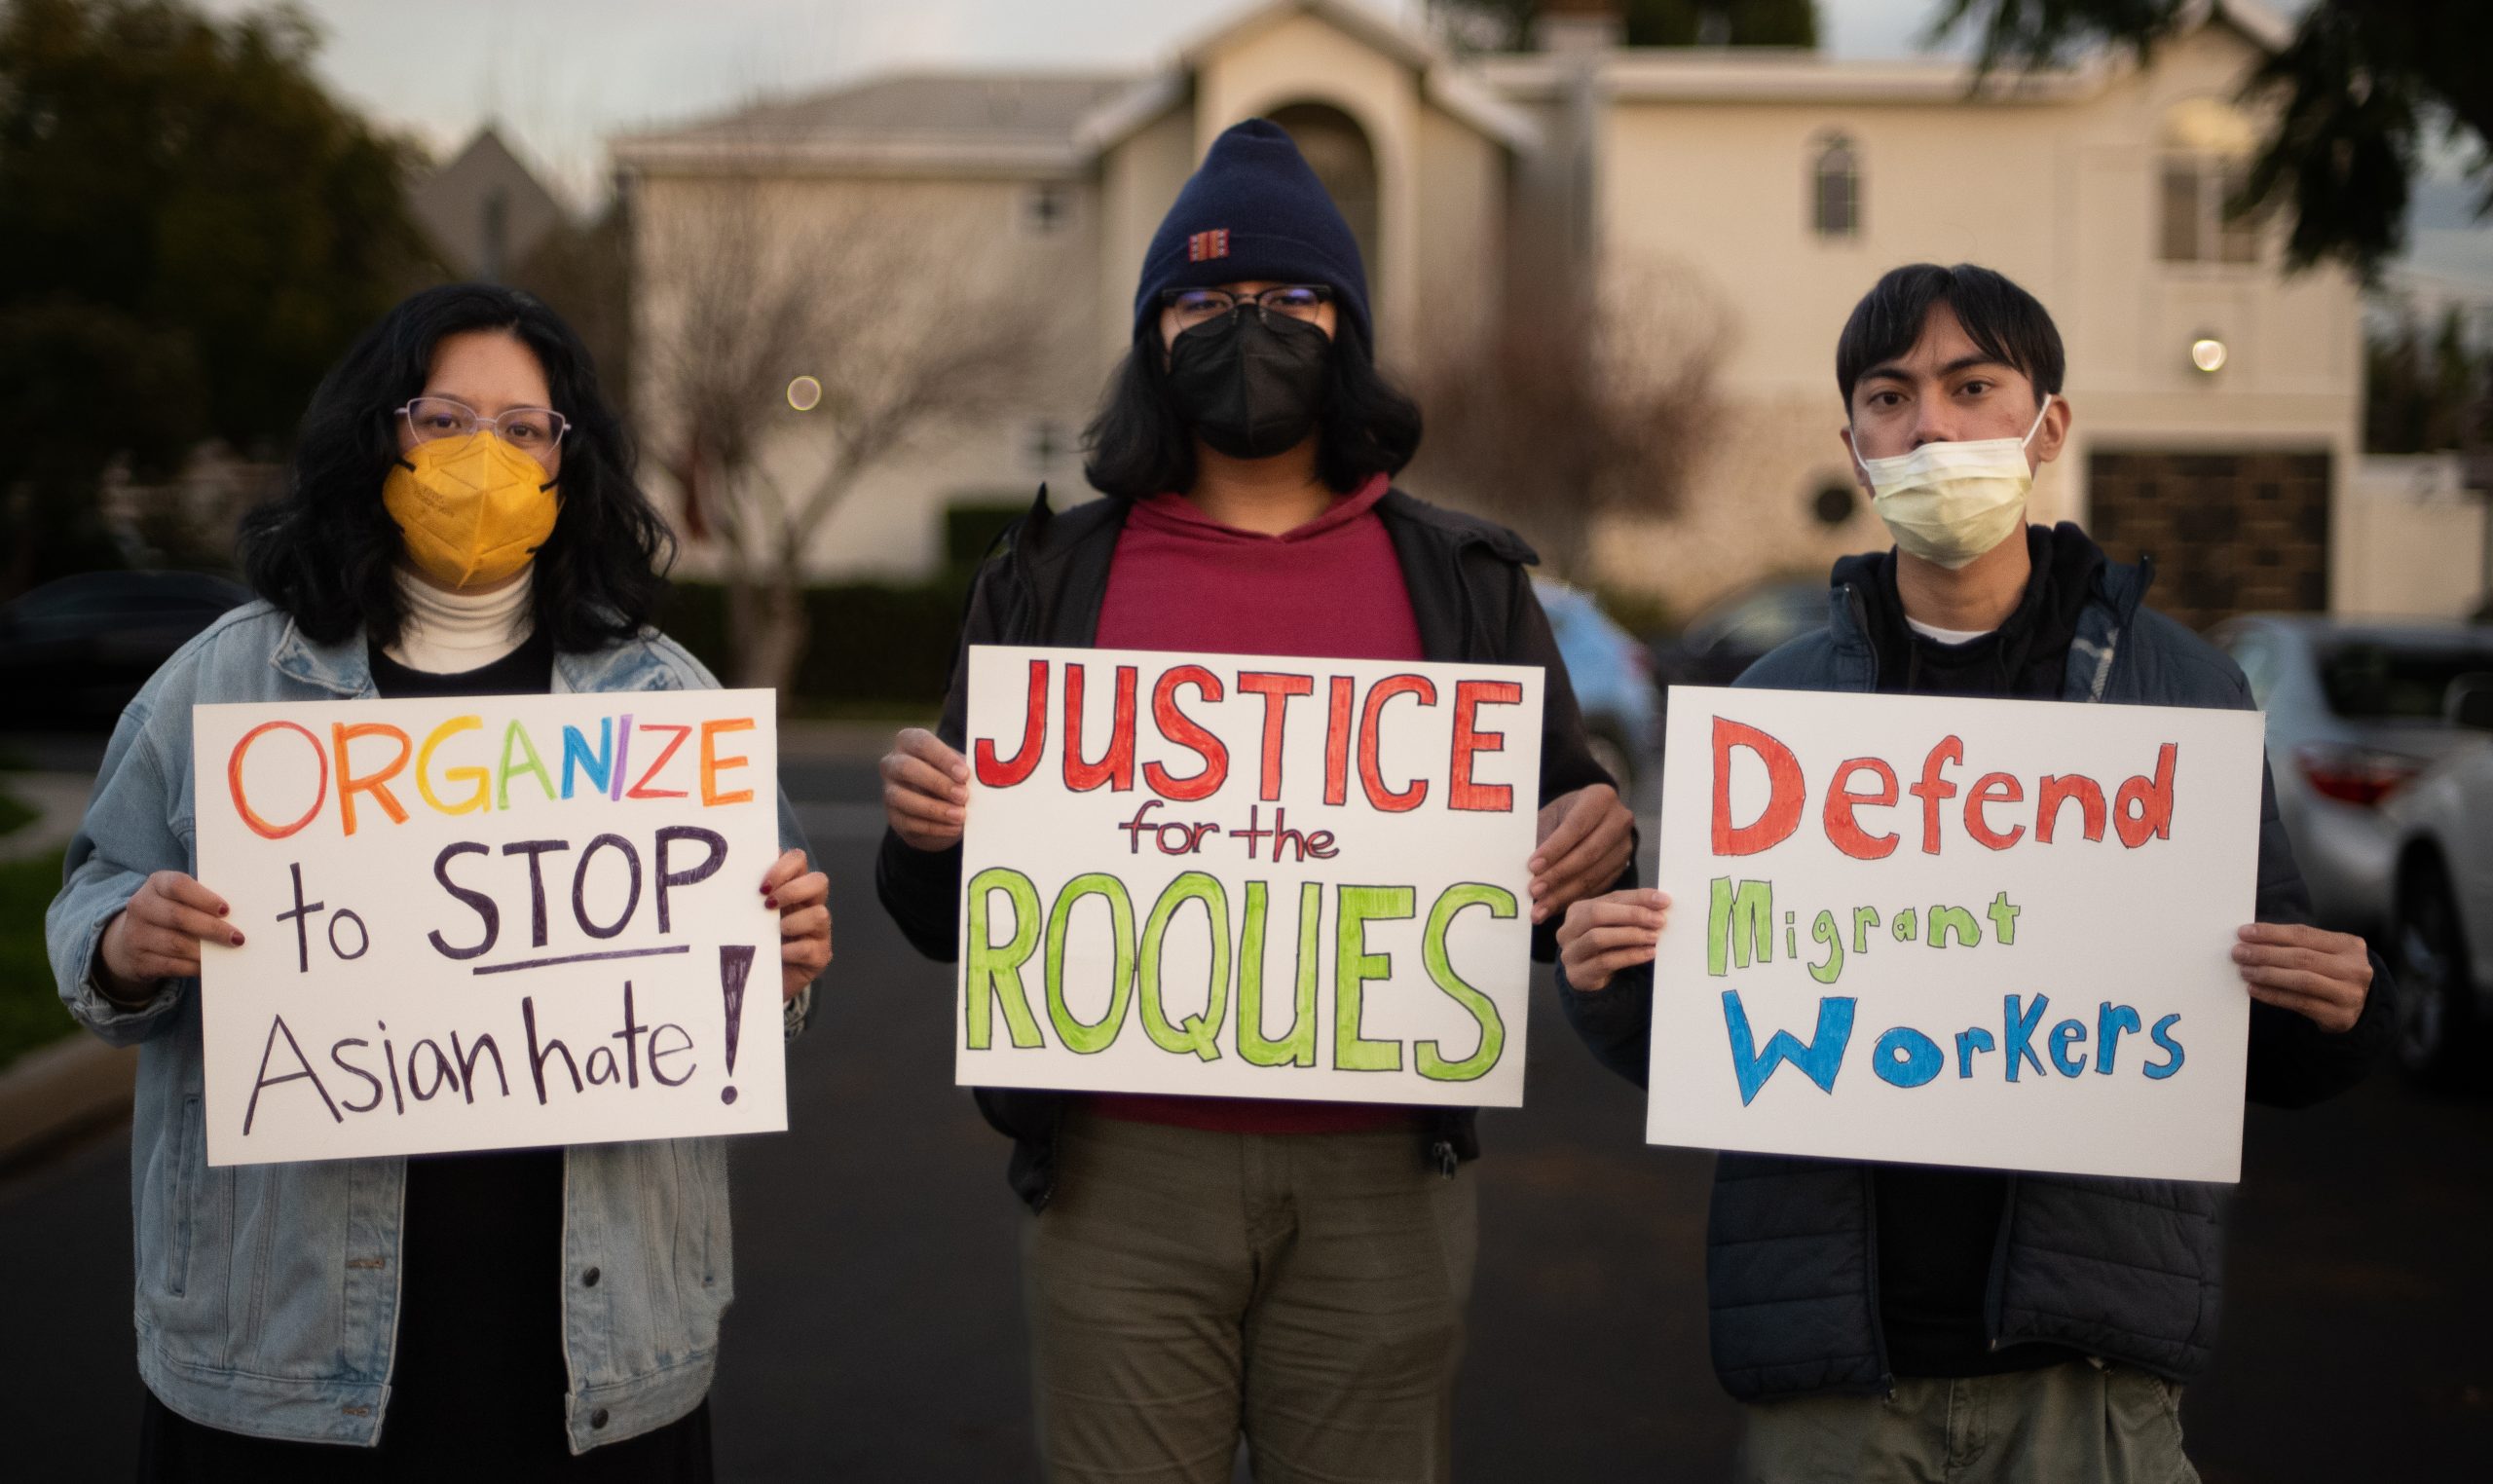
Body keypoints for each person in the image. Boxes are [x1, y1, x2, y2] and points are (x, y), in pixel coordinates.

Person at [875, 119, 1636, 1483]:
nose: (1248, 328)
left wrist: (1592, 839)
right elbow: (946, 910)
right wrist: (927, 830)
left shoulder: (1463, 579)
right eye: (1205, 303)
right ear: (1150, 336)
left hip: (1381, 1182)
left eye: (1291, 300)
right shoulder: (1050, 577)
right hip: (1119, 1169)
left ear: (1348, 329)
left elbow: (1547, 869)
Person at [1555, 262, 2392, 1484]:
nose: (1933, 425)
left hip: (2087, 1373)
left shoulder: (2184, 694)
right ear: (1853, 445)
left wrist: (2339, 1013)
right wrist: (1607, 976)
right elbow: (1705, 1031)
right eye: (1890, 397)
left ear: (2047, 426)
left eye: (1973, 385)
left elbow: (2252, 1031)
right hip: (1836, 1371)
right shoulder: (1775, 709)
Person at [45, 283, 832, 1479]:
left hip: (595, 1363)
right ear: (380, 435)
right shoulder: (230, 679)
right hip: (287, 1359)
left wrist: (779, 970)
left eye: (525, 431)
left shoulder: (665, 700)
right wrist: (123, 940)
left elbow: (744, 987)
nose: (486, 457)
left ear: (570, 466)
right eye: (446, 419)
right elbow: (93, 893)